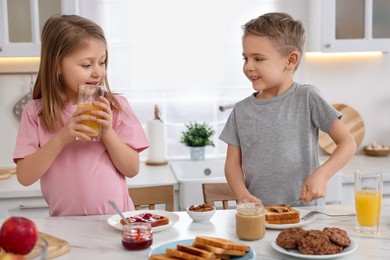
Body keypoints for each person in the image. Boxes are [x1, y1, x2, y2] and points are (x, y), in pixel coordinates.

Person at [13, 15, 148, 216]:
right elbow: (24, 177)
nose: (98, 72)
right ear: (57, 66)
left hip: (115, 223)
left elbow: (132, 169)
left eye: (102, 62)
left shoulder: (115, 106)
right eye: (87, 65)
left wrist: (108, 132)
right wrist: (62, 138)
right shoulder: (36, 112)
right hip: (65, 228)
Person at [219, 12, 356, 207]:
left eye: (258, 59)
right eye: (245, 58)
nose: (248, 66)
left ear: (290, 60)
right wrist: (242, 195)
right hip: (259, 215)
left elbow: (347, 143)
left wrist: (322, 174)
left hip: (305, 214)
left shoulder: (308, 97)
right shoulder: (241, 111)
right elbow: (232, 164)